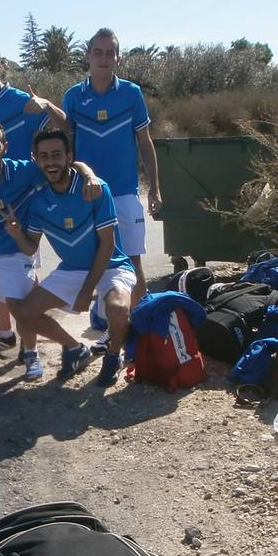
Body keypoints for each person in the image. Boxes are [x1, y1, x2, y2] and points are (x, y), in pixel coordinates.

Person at [0, 121, 101, 382]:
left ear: (5, 147)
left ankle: (32, 354)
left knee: (20, 307)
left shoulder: (25, 172)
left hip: (15, 250)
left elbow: (71, 165)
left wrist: (89, 176)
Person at [7, 129, 135, 387]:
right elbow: (31, 248)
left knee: (118, 309)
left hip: (111, 265)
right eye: (44, 156)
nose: (51, 162)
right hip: (72, 269)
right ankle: (75, 349)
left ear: (69, 156)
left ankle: (114, 355)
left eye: (57, 155)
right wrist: (16, 233)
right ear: (35, 159)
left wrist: (87, 290)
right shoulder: (38, 200)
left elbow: (108, 244)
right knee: (23, 312)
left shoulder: (95, 189)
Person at [0, 40, 67, 361]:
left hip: (23, 200)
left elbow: (63, 128)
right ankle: (6, 334)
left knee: (24, 273)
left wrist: (47, 105)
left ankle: (30, 341)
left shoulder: (22, 101)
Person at [62, 27, 163, 345]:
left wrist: (155, 188)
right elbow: (66, 148)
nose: (103, 58)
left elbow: (145, 142)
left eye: (110, 53)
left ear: (118, 58)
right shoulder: (73, 96)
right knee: (101, 264)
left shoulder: (131, 93)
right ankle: (112, 328)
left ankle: (142, 332)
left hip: (124, 192)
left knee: (132, 262)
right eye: (98, 52)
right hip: (88, 194)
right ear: (88, 56)